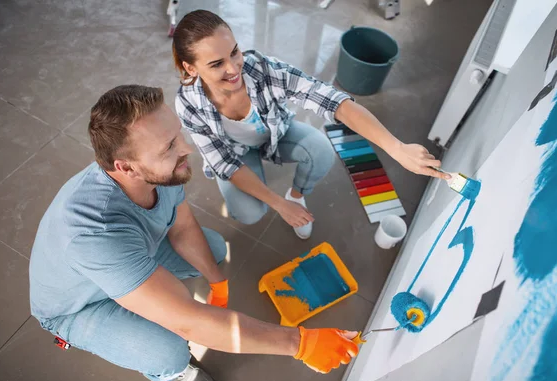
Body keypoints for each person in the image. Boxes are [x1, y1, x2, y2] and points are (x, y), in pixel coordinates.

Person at [29, 85, 360, 381]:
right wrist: (299, 344)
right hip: (80, 304)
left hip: (129, 255)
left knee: (213, 251)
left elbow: (183, 228)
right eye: (169, 147)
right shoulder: (94, 233)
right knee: (170, 348)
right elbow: (189, 321)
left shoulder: (160, 170)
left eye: (177, 135)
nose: (186, 148)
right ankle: (165, 371)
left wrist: (218, 284)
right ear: (126, 167)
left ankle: (137, 297)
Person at [174, 10, 449, 239]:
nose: (234, 69)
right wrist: (278, 205)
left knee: (321, 150)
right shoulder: (188, 104)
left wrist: (397, 148)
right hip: (237, 153)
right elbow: (225, 164)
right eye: (217, 63)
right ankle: (283, 201)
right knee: (249, 213)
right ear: (191, 68)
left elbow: (332, 101)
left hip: (275, 134)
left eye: (234, 52)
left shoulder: (266, 71)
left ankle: (296, 196)